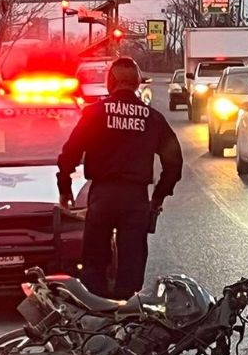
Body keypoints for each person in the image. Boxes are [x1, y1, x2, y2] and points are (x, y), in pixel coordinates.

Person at [57, 57, 183, 299]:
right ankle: (127, 317)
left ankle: (97, 315)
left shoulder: (94, 113)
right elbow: (174, 164)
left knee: (93, 263)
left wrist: (65, 189)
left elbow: (70, 153)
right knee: (132, 265)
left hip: (102, 197)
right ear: (137, 83)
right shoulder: (152, 118)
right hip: (135, 200)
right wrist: (157, 199)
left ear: (109, 82)